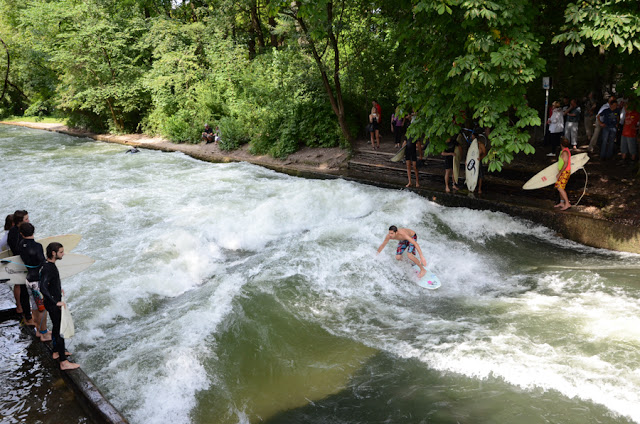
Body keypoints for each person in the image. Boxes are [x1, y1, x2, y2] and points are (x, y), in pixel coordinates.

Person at [40, 242, 80, 370]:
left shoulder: (48, 265)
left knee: (56, 328)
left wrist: (58, 289)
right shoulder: (49, 268)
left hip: (52, 301)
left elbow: (50, 284)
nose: (63, 254)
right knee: (60, 331)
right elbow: (43, 287)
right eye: (61, 252)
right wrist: (55, 302)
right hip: (53, 305)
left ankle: (56, 351)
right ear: (54, 253)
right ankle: (63, 362)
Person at [18, 223, 51, 342]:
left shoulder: (21, 244)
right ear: (34, 231)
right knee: (42, 308)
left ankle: (38, 331)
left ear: (21, 234)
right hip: (37, 281)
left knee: (35, 306)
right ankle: (44, 333)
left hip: (28, 279)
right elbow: (42, 263)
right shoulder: (37, 246)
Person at [7, 210, 34, 326]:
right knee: (24, 290)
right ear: (20, 221)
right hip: (21, 264)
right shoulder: (15, 233)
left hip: (23, 263)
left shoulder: (16, 231)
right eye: (26, 219)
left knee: (25, 290)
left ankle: (27, 312)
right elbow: (18, 250)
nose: (28, 220)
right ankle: (28, 317)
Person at [554, 137, 572, 211]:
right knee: (561, 187)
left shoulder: (565, 152)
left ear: (561, 144)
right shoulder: (565, 150)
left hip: (565, 172)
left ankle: (567, 203)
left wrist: (559, 173)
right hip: (564, 171)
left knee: (559, 188)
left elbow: (565, 164)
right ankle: (562, 202)